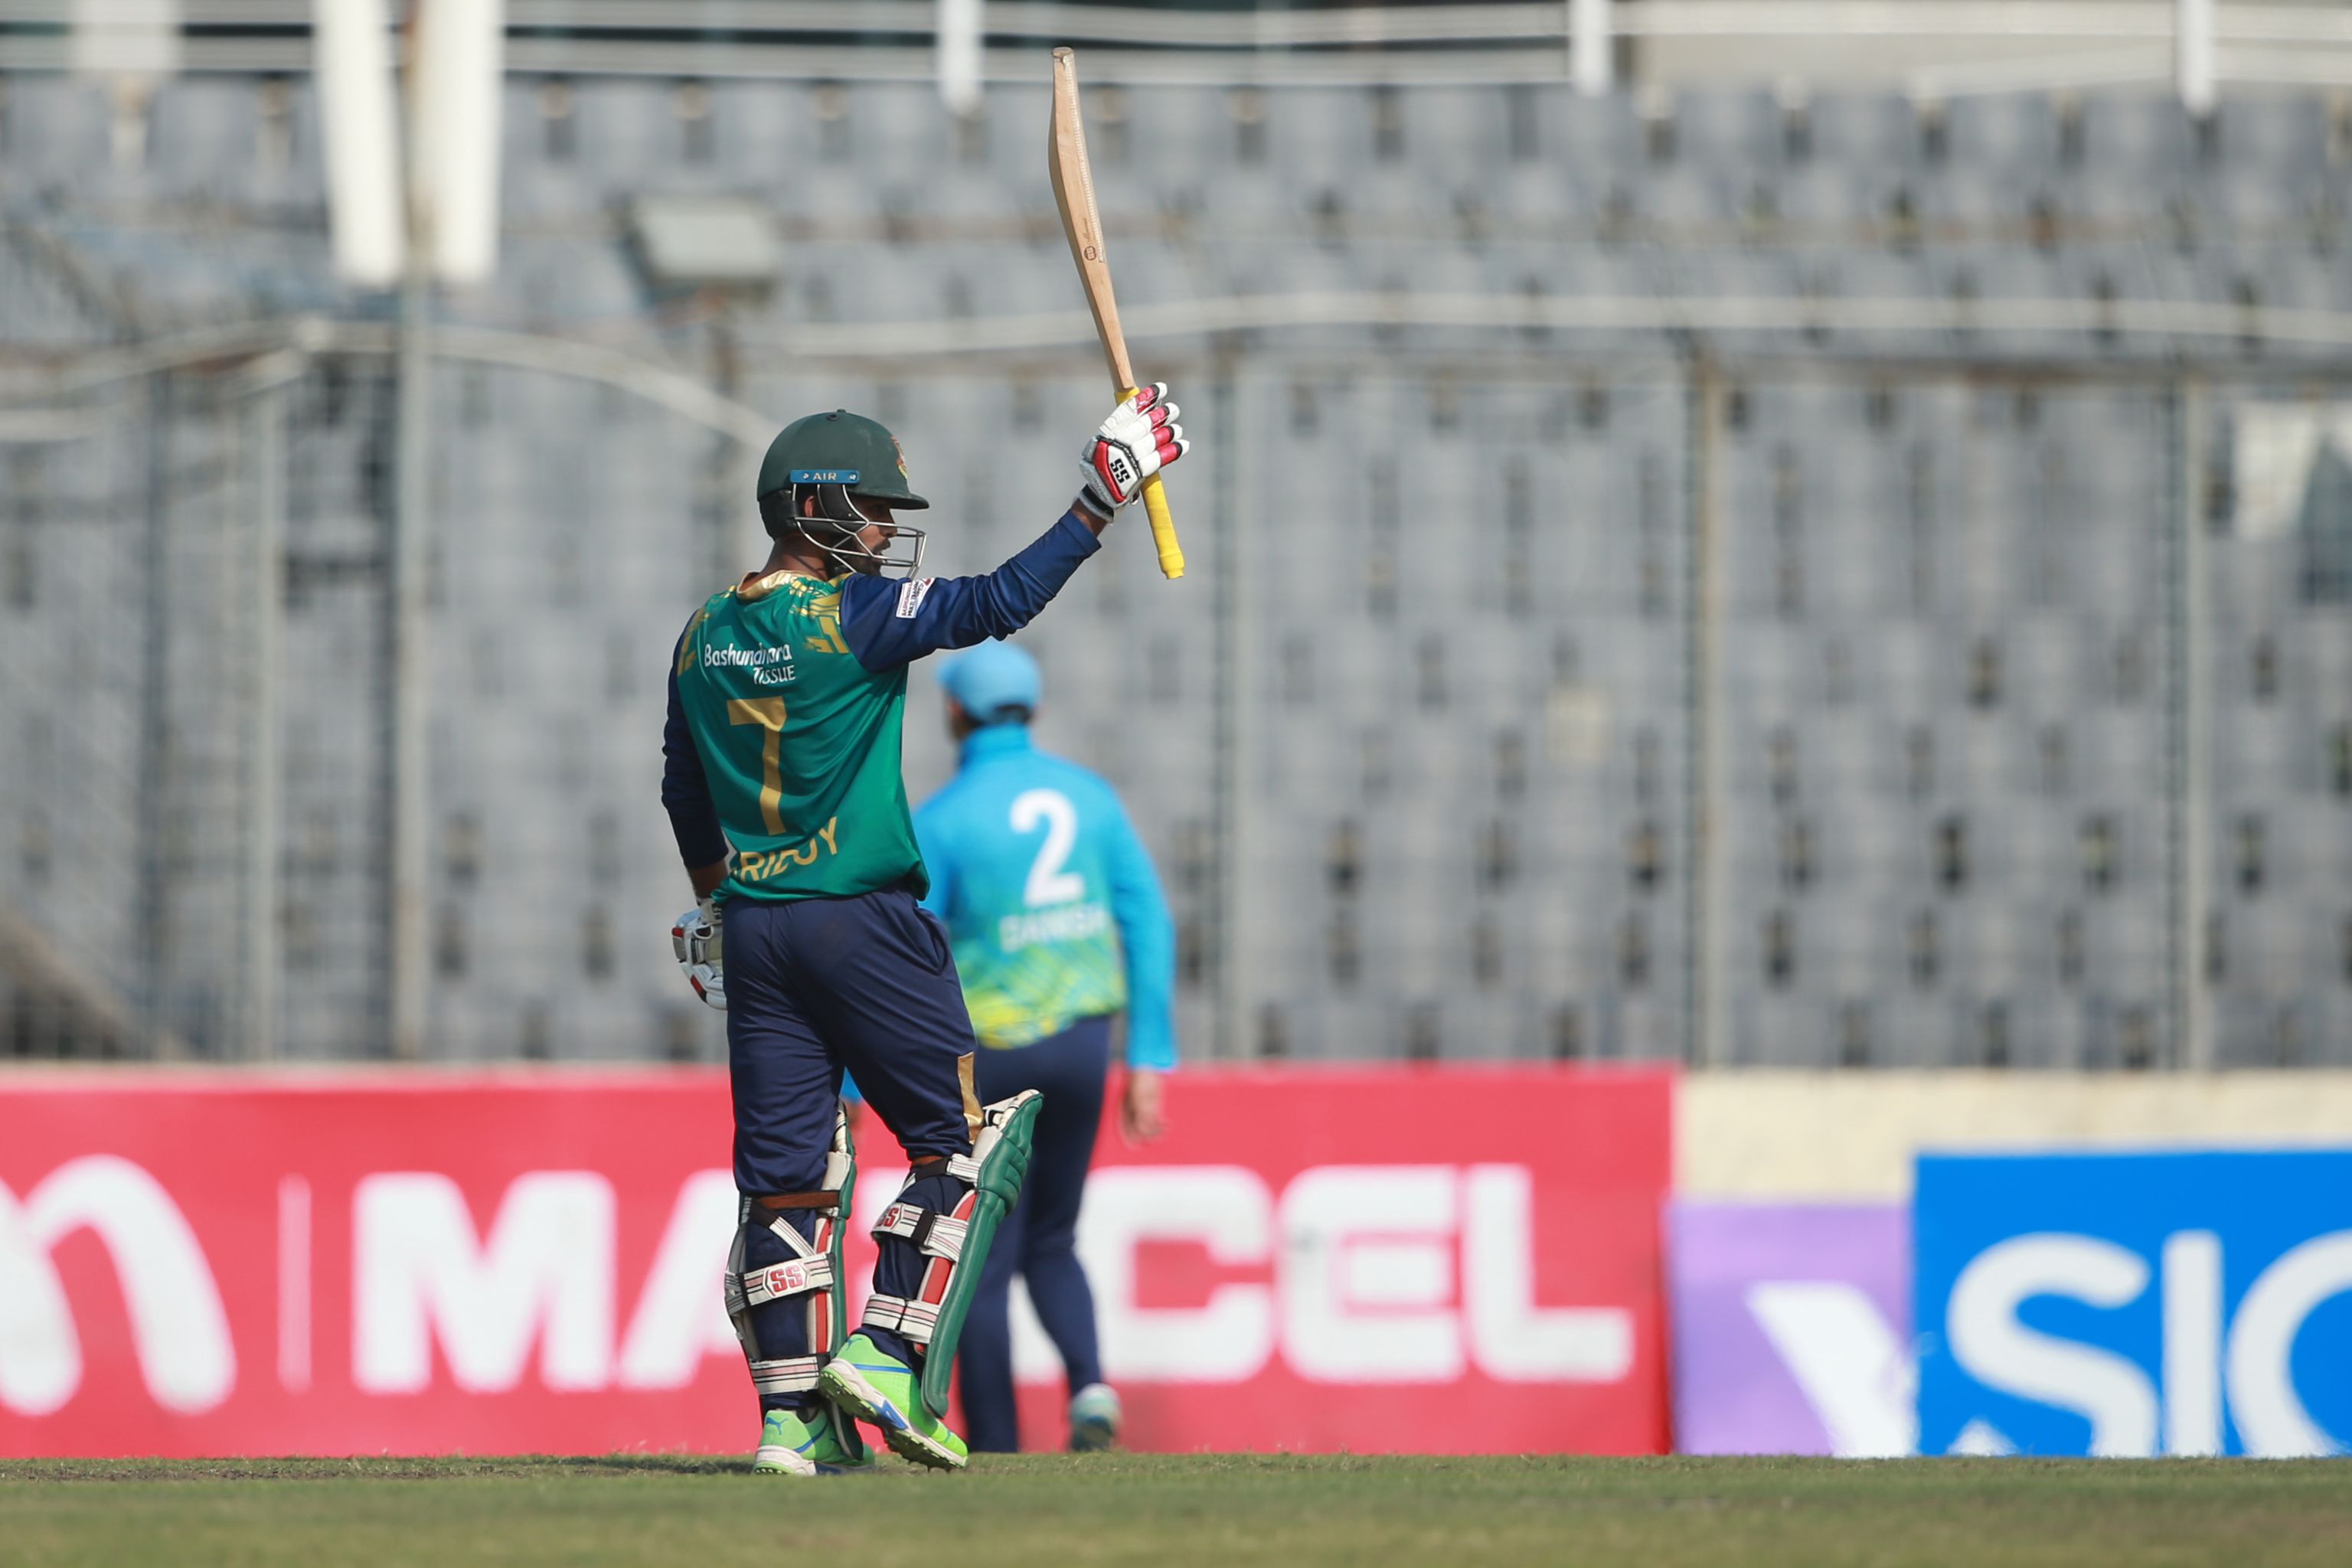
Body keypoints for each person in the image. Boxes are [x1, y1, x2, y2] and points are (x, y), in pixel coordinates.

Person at [659, 389, 1188, 1475]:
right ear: (810, 506)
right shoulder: (852, 618)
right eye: (869, 510)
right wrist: (1100, 498)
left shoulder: (702, 633)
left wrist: (713, 902)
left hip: (756, 930)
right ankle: (890, 1353)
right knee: (967, 1141)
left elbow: (682, 791)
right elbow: (999, 600)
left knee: (788, 1177)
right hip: (861, 922)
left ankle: (792, 1420)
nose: (882, 532)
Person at [916, 640, 1176, 1452]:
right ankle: (1091, 1386)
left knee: (982, 1257)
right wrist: (1149, 1058)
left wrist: (856, 1086)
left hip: (992, 1055)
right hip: (1082, 1047)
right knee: (1055, 1237)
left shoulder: (943, 818)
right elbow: (1148, 922)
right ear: (1031, 707)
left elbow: (904, 958)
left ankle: (997, 1444)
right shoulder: (1090, 799)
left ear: (954, 712)